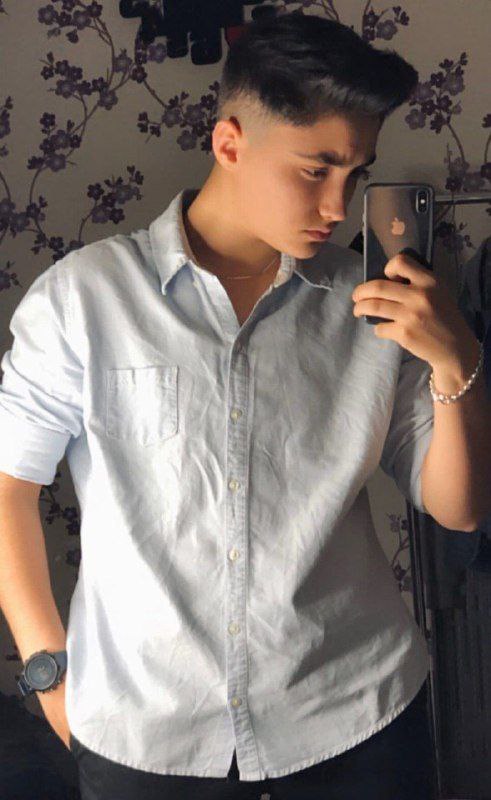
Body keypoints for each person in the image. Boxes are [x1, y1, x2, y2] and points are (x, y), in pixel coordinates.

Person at [0, 10, 440, 799]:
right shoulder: (82, 299)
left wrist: (457, 357)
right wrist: (49, 675)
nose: (337, 205)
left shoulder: (370, 304)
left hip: (355, 716)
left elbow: (460, 507)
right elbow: (8, 487)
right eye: (316, 169)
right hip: (145, 734)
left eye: (355, 174)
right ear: (229, 143)